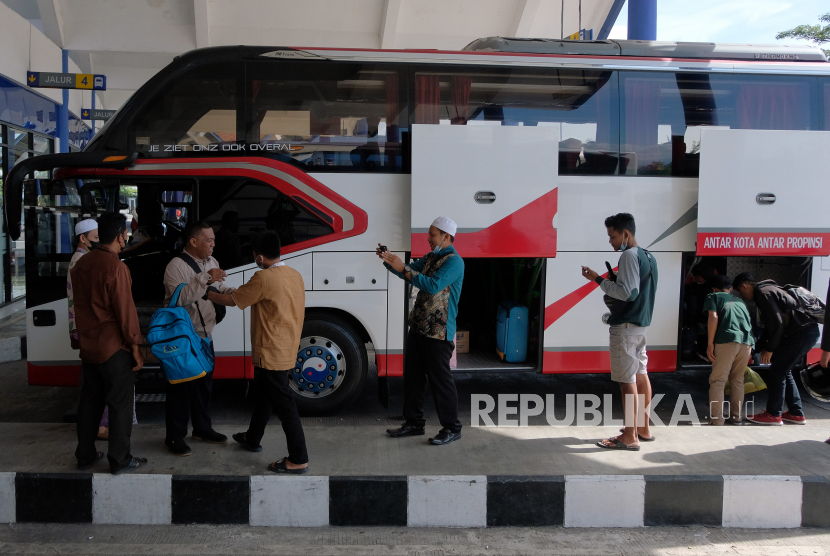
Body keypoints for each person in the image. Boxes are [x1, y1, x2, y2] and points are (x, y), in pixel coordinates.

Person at [211, 232, 309, 473]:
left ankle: (298, 458)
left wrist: (207, 294)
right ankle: (252, 437)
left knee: (285, 406)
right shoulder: (294, 275)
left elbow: (234, 300)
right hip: (287, 345)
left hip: (270, 350)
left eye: (254, 255)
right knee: (265, 394)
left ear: (260, 257)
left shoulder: (263, 277)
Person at [71, 212, 147, 474]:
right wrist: (136, 347)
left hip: (89, 347)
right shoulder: (116, 267)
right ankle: (120, 460)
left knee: (89, 403)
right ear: (120, 237)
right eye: (125, 234)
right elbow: (126, 313)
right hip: (113, 349)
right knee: (119, 405)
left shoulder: (81, 264)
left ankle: (85, 455)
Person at [381, 217, 465, 446]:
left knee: (440, 381)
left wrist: (403, 268)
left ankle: (452, 428)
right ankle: (414, 422)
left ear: (446, 236)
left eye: (432, 234)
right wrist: (390, 261)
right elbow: (407, 273)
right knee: (413, 377)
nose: (428, 238)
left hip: (439, 332)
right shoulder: (430, 258)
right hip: (419, 327)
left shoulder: (455, 262)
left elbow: (432, 284)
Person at [581, 213, 657, 451]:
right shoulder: (648, 256)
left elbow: (628, 293)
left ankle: (630, 436)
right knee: (641, 375)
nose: (610, 241)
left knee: (627, 381)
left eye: (612, 236)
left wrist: (598, 280)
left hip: (625, 327)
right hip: (641, 325)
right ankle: (643, 429)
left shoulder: (629, 255)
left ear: (626, 234)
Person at [162, 221, 234, 456]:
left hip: (205, 336)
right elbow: (179, 298)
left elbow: (217, 288)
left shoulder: (212, 262)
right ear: (193, 242)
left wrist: (231, 292)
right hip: (184, 338)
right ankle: (174, 437)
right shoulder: (175, 266)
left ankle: (202, 429)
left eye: (213, 240)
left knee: (204, 385)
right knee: (181, 388)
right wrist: (205, 278)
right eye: (209, 240)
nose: (213, 244)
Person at [733, 272, 818, 425]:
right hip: (804, 332)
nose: (742, 296)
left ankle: (773, 414)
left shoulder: (763, 293)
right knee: (784, 370)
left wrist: (770, 349)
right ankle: (795, 413)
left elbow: (776, 323)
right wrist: (755, 349)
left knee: (777, 372)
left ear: (744, 286)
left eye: (740, 291)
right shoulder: (769, 290)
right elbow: (770, 328)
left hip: (801, 333)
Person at [704, 274, 754, 426]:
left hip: (726, 342)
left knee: (718, 380)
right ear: (731, 289)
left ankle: (717, 419)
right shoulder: (740, 301)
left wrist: (710, 343)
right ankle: (736, 417)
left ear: (714, 288)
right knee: (737, 380)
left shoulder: (713, 296)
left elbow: (713, 317)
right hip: (746, 343)